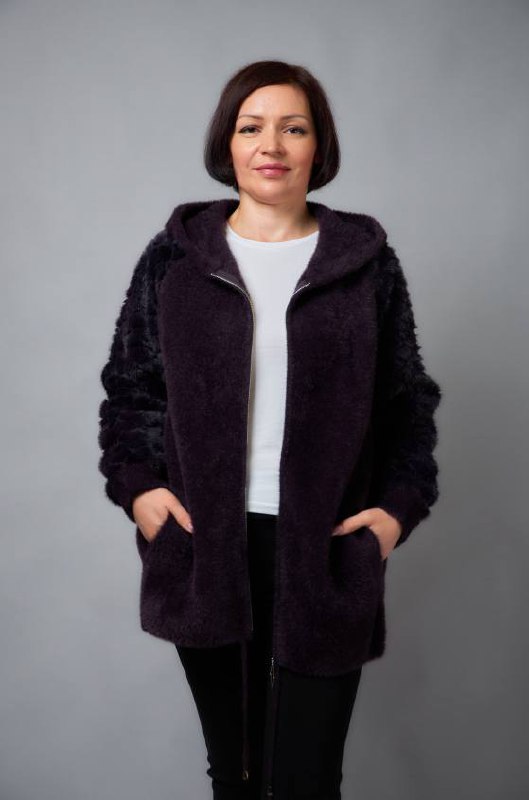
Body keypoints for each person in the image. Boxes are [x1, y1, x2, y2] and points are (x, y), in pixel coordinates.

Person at [97, 59, 442, 800]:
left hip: (327, 545)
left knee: (307, 780)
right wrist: (140, 490)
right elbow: (131, 387)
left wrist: (395, 512)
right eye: (251, 127)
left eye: (294, 128)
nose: (271, 145)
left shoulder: (363, 265)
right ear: (228, 143)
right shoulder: (177, 259)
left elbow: (406, 404)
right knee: (238, 774)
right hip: (207, 544)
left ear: (319, 146)